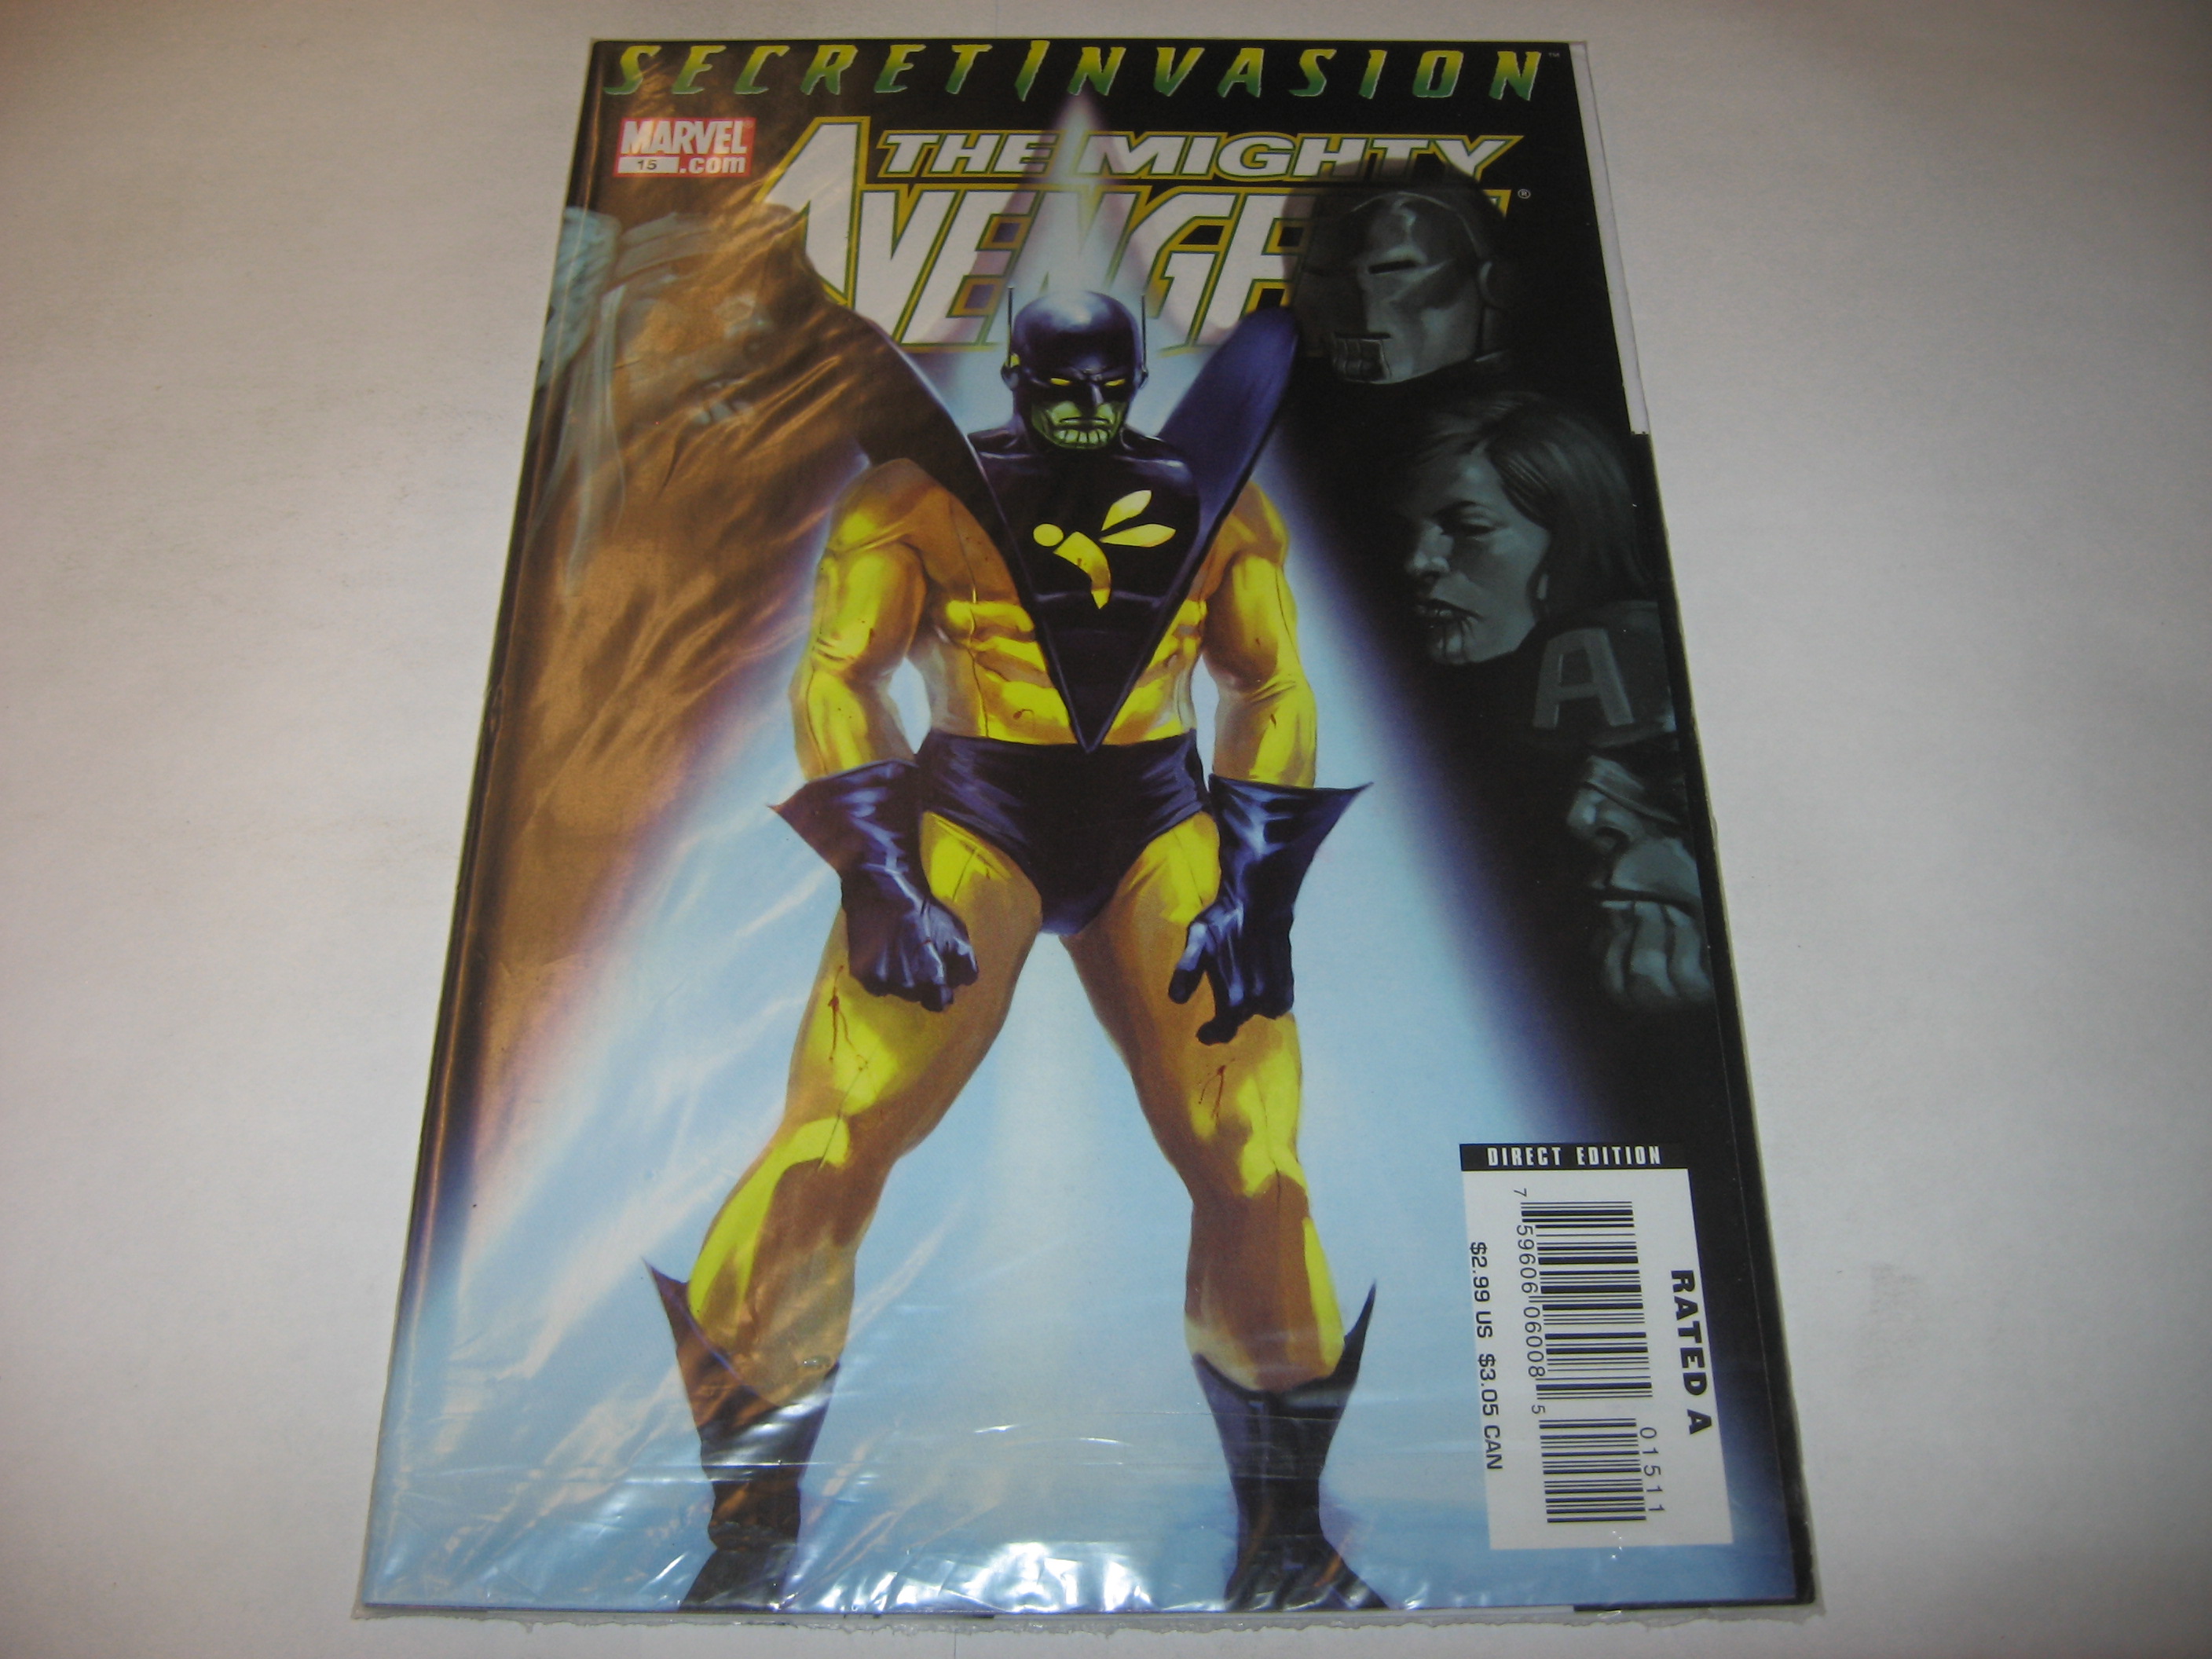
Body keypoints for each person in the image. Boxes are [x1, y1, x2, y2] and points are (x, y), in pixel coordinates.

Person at [650, 293, 1379, 1614]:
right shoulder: (918, 497)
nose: (1087, 409)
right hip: (975, 815)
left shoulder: (1219, 506)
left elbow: (1268, 684)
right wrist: (881, 872)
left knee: (1255, 1164)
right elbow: (839, 675)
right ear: (1018, 376)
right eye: (1061, 384)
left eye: (1110, 384)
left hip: (1156, 821)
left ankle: (1286, 1542)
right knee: (830, 1144)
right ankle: (751, 1527)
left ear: (1138, 378)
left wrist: (1258, 885)